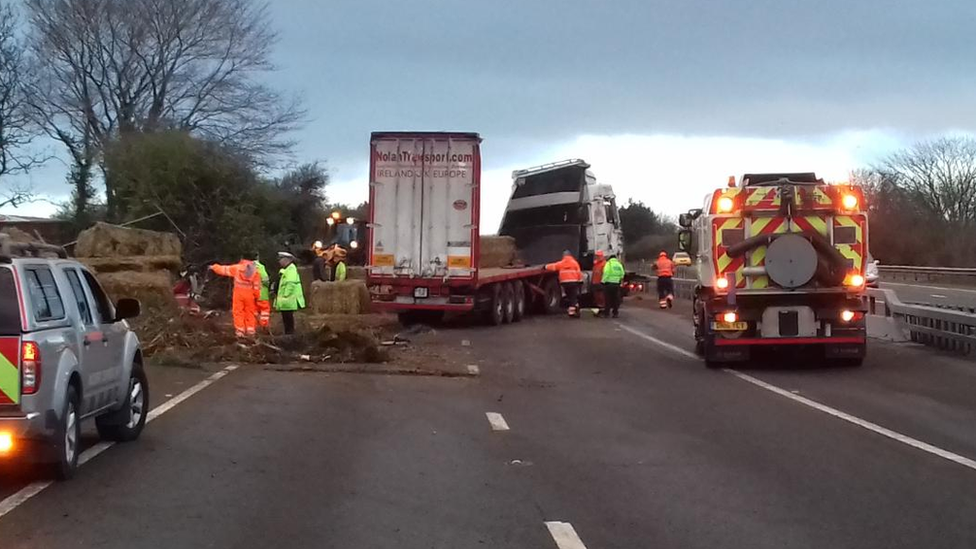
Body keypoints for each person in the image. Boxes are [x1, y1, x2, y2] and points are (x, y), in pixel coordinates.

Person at [209, 253, 262, 338]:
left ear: (242, 258)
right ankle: (251, 331)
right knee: (250, 312)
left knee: (238, 312)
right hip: (250, 295)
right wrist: (257, 297)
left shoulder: (237, 268)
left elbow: (223, 270)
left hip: (239, 294)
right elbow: (257, 286)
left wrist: (213, 267)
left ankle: (240, 331)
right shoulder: (256, 271)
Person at [545, 250, 583, 317]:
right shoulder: (575, 263)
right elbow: (579, 273)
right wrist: (580, 282)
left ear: (564, 256)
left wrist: (545, 266)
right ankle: (573, 311)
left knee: (570, 296)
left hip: (565, 283)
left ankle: (574, 309)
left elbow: (553, 267)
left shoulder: (562, 263)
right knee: (573, 297)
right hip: (574, 282)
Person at [275, 251, 306, 335]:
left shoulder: (291, 269)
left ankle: (290, 334)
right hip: (286, 300)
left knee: (288, 317)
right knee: (286, 318)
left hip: (288, 299)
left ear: (287, 260)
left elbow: (290, 283)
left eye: (281, 259)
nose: (279, 261)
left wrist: (285, 295)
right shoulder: (286, 270)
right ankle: (288, 333)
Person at [601, 253, 626, 318]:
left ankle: (607, 313)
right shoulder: (619, 264)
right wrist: (619, 280)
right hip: (616, 284)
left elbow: (606, 272)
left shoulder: (609, 264)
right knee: (615, 299)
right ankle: (615, 313)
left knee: (608, 299)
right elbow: (622, 274)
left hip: (608, 284)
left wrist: (603, 281)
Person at [254, 255, 271, 330]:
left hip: (252, 294)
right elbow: (265, 280)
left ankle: (255, 326)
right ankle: (264, 326)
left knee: (254, 311)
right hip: (262, 294)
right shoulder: (260, 267)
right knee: (264, 311)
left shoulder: (246, 267)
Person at [592, 250, 606, 315]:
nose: (598, 257)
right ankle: (599, 310)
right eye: (597, 256)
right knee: (597, 297)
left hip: (601, 282)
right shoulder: (596, 264)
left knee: (601, 297)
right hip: (595, 282)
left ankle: (602, 310)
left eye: (599, 256)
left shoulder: (604, 264)